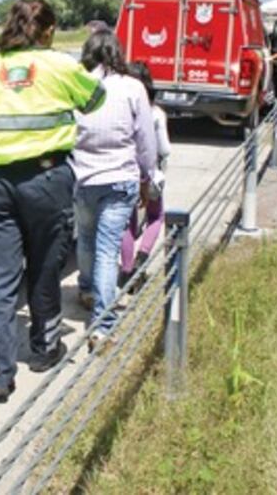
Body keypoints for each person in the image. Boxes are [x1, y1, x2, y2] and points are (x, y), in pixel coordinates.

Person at [0, 0, 106, 403]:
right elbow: (96, 99)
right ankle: (44, 351)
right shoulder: (59, 65)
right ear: (47, 30)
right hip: (46, 179)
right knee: (44, 269)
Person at [70, 32, 157, 352]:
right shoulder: (133, 87)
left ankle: (87, 289)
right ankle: (103, 326)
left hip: (83, 177)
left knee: (87, 239)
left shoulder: (77, 85)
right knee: (108, 250)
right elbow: (145, 139)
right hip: (120, 178)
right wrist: (148, 175)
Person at [120, 62, 170, 290]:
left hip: (124, 170)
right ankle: (143, 255)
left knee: (127, 224)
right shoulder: (156, 113)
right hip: (149, 172)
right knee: (156, 216)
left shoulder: (121, 109)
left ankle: (127, 269)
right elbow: (164, 148)